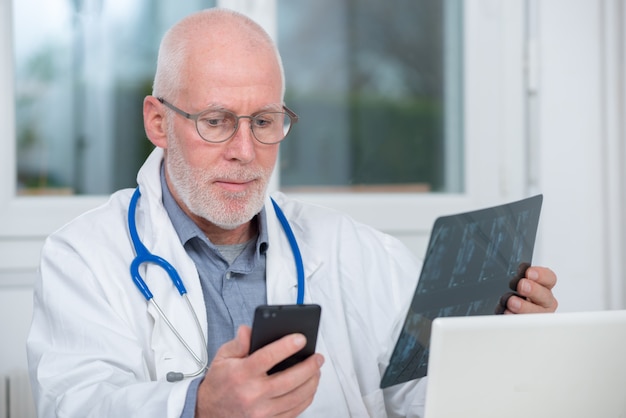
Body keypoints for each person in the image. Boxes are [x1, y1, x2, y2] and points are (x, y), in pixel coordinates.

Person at [26, 8, 558, 418]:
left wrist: (494, 350)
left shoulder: (359, 251)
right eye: (215, 121)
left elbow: (427, 397)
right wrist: (198, 405)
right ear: (158, 122)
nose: (245, 149)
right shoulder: (85, 255)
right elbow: (73, 402)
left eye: (264, 120)